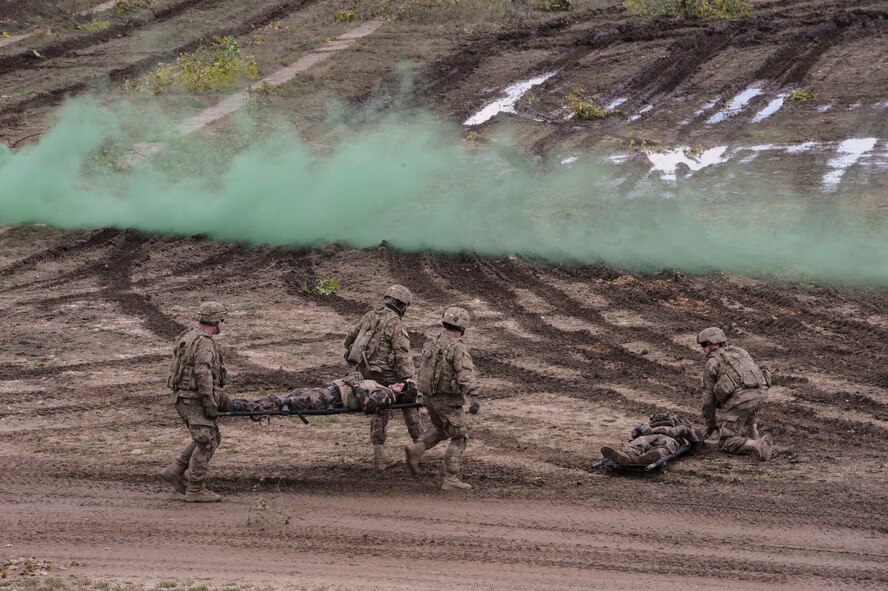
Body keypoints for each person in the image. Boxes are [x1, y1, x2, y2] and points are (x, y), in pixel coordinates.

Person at [343, 285, 424, 470]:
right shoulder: (395, 323)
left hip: (365, 373)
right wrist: (408, 379)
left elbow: (348, 340)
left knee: (380, 409)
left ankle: (379, 456)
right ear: (401, 305)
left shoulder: (370, 315)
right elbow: (401, 354)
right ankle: (419, 447)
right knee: (408, 400)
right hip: (386, 374)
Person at [405, 306, 480, 491]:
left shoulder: (432, 343)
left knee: (442, 428)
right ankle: (451, 478)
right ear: (462, 327)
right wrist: (474, 395)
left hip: (429, 398)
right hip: (447, 400)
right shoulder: (457, 347)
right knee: (461, 434)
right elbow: (464, 374)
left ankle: (417, 449)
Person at [160, 301, 229, 502]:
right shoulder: (204, 342)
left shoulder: (188, 335)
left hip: (184, 397)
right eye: (223, 320)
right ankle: (195, 489)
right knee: (207, 441)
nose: (224, 324)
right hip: (193, 399)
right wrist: (210, 402)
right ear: (215, 321)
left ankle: (175, 470)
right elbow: (202, 373)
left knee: (208, 435)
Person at [698, 326, 774, 461]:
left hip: (742, 400)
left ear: (713, 343)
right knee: (747, 410)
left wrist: (710, 425)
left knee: (726, 441)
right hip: (762, 394)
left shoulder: (712, 362)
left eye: (704, 345)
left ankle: (756, 444)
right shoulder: (740, 352)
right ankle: (755, 436)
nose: (703, 349)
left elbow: (708, 399)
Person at [226, 373, 419, 414]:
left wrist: (355, 386)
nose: (397, 384)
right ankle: (240, 403)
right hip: (326, 393)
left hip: (326, 399)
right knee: (285, 398)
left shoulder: (387, 397)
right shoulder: (384, 389)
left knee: (283, 402)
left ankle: (239, 406)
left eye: (401, 386)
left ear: (402, 395)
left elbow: (368, 406)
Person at [600, 414, 704, 465]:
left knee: (665, 445)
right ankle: (625, 456)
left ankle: (649, 457)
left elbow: (699, 437)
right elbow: (634, 434)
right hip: (649, 436)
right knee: (638, 442)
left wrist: (682, 430)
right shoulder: (650, 426)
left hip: (670, 438)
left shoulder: (683, 427)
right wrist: (641, 427)